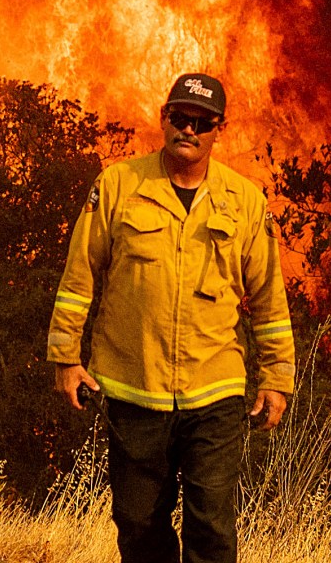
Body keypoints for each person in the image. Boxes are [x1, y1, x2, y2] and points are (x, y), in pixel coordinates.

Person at [48, 72, 295, 563]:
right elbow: (80, 275)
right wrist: (64, 355)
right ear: (163, 118)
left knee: (212, 526)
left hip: (215, 389)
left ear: (218, 129)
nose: (189, 129)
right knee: (139, 526)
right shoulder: (119, 185)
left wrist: (277, 377)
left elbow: (269, 298)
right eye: (180, 117)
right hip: (134, 385)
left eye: (201, 123)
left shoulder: (245, 201)